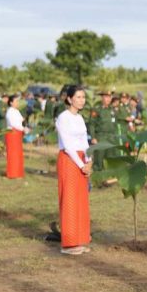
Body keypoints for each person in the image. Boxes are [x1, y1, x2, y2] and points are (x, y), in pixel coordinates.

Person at [55, 85, 93, 254]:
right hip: (69, 160)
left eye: (83, 97)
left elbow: (85, 141)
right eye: (78, 97)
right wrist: (81, 164)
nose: (81, 100)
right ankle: (69, 244)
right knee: (69, 200)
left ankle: (81, 239)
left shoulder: (80, 118)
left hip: (82, 159)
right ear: (69, 99)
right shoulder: (63, 118)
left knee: (81, 200)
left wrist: (89, 161)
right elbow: (68, 145)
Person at [89, 91, 116, 170]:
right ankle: (97, 175)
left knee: (111, 158)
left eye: (110, 97)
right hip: (100, 137)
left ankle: (109, 175)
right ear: (102, 98)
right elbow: (92, 124)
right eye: (106, 97)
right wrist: (93, 137)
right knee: (99, 158)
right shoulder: (97, 109)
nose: (108, 99)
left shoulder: (112, 109)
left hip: (111, 137)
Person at [5, 94, 29, 179]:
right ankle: (12, 173)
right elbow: (13, 124)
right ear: (11, 102)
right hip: (12, 133)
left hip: (18, 134)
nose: (17, 103)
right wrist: (23, 129)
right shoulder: (10, 112)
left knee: (18, 154)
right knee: (13, 154)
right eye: (15, 101)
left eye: (17, 101)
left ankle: (18, 173)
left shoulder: (16, 111)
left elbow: (21, 120)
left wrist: (26, 126)